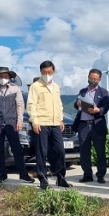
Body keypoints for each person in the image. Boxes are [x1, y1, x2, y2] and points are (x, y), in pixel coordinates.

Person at [26, 61, 72, 189]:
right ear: (41, 72)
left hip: (55, 123)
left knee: (60, 151)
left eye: (50, 72)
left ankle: (61, 178)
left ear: (54, 72)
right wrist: (35, 121)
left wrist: (60, 119)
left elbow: (59, 104)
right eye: (44, 72)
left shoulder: (56, 87)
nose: (47, 74)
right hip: (41, 123)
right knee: (42, 152)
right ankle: (43, 178)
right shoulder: (36, 86)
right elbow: (31, 105)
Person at [0, 67, 34, 184]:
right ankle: (2, 175)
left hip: (12, 123)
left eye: (5, 76)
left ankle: (23, 174)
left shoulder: (15, 89)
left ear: (9, 77)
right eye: (1, 76)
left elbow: (20, 105)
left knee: (17, 149)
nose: (3, 78)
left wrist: (20, 121)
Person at [73, 69, 109, 184]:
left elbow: (107, 106)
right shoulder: (83, 91)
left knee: (100, 151)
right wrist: (77, 104)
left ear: (99, 80)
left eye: (95, 79)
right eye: (91, 78)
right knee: (84, 151)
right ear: (88, 77)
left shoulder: (103, 92)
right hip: (83, 125)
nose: (92, 80)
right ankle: (87, 174)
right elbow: (76, 104)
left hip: (97, 125)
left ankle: (100, 175)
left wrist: (98, 110)